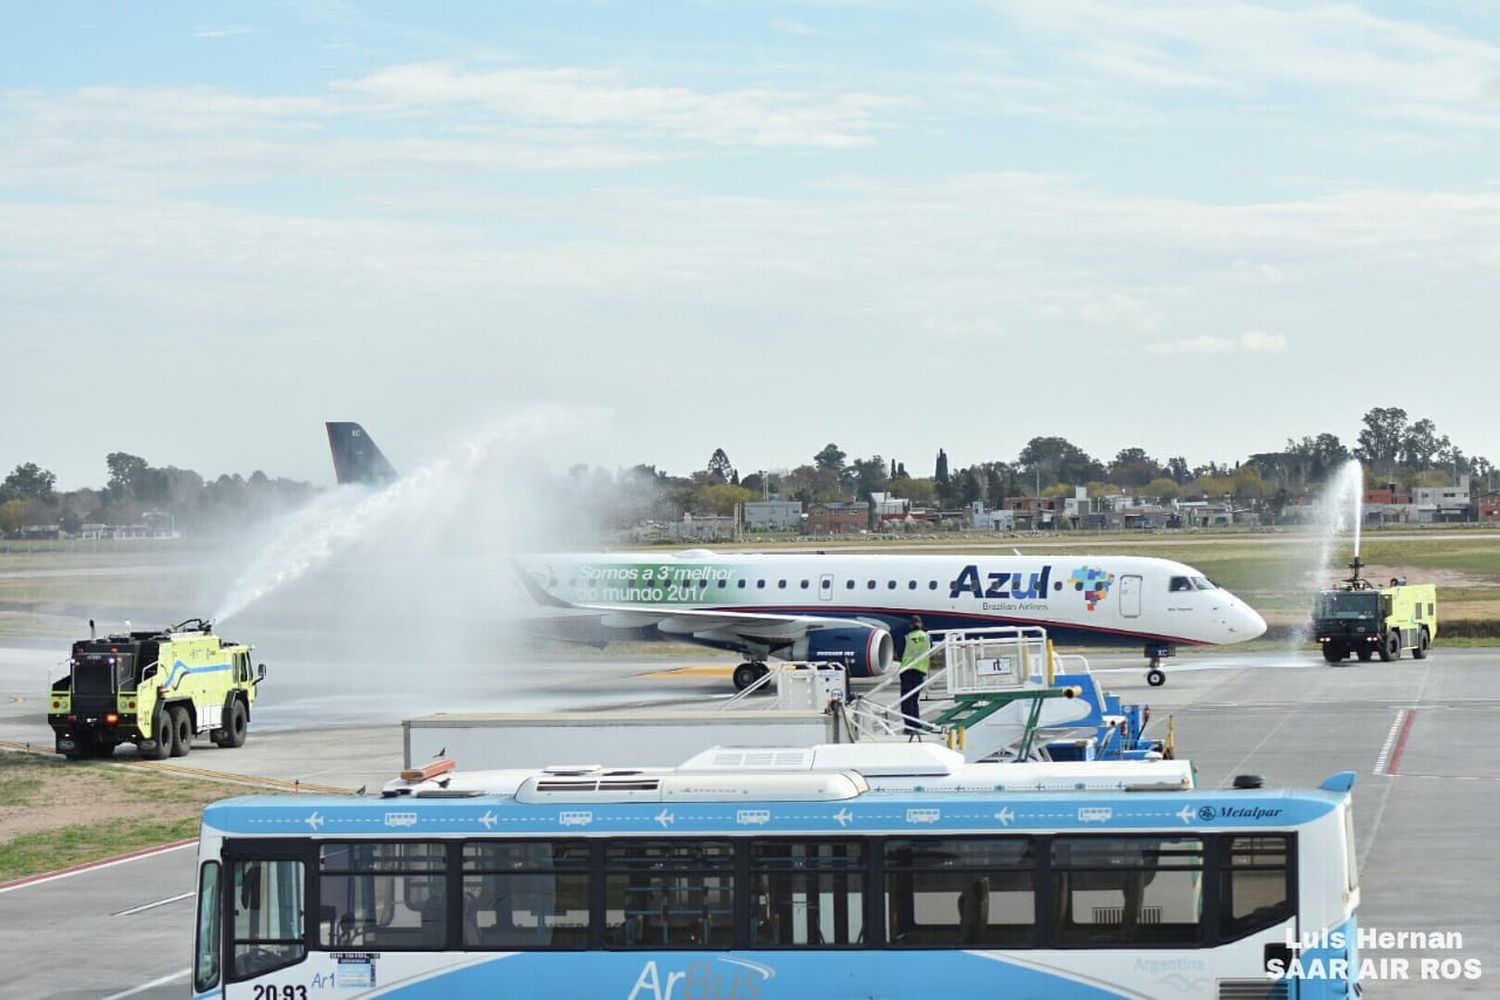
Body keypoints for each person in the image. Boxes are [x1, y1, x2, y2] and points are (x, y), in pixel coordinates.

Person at [898, 616, 931, 736]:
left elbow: (900, 653)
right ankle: (916, 723)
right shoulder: (927, 636)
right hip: (920, 670)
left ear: (910, 625)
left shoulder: (907, 637)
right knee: (914, 700)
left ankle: (909, 725)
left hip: (907, 670)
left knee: (906, 700)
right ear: (921, 624)